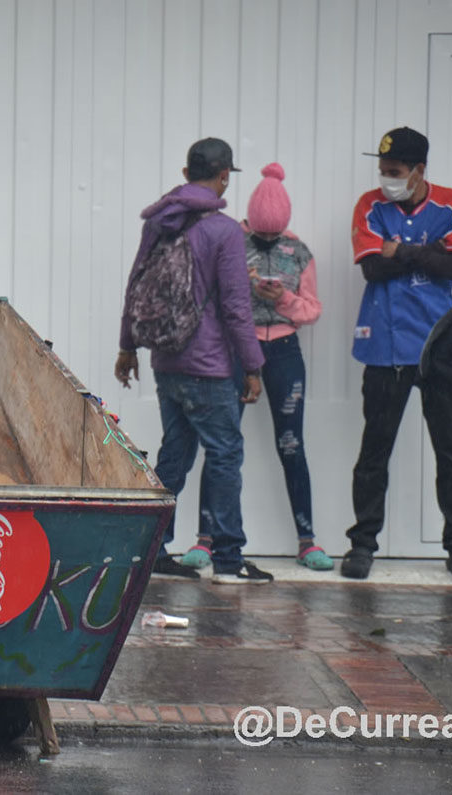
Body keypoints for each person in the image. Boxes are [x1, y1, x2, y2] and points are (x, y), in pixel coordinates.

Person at [115, 138, 271, 584]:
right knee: (224, 455)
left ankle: (153, 552)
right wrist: (254, 366)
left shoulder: (159, 223)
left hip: (167, 360)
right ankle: (228, 559)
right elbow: (237, 308)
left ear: (186, 175)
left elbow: (136, 283)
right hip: (208, 366)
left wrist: (127, 346)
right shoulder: (224, 231)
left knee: (175, 454)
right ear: (224, 176)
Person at [341, 126, 452, 583]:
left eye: (395, 171)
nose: (386, 178)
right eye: (382, 171)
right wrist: (427, 252)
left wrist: (400, 249)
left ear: (419, 170)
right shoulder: (369, 205)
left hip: (440, 347)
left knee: (450, 450)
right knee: (374, 451)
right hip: (384, 348)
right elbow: (372, 268)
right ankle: (362, 544)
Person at [237, 163, 331, 570]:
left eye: (276, 232)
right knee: (224, 445)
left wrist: (282, 301)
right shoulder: (231, 243)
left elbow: (312, 310)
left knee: (291, 445)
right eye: (264, 232)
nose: (270, 238)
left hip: (285, 350)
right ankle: (207, 540)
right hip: (239, 351)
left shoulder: (300, 252)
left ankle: (307, 541)